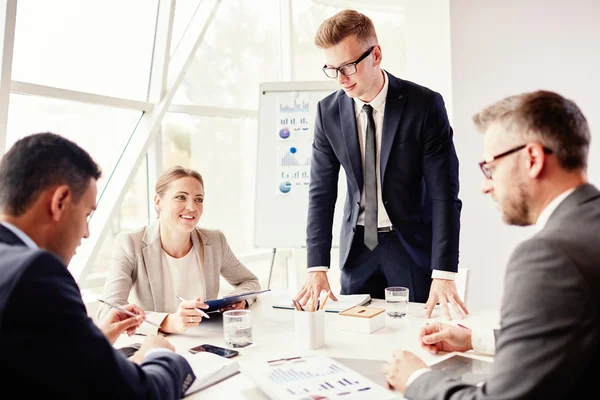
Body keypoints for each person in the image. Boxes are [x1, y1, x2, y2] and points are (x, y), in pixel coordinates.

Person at [383, 90, 600, 399]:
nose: (486, 186)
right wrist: (475, 339)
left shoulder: (549, 257)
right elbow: (574, 336)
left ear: (533, 159)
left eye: (490, 168)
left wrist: (416, 378)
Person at [294, 9, 467, 320]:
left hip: (410, 245)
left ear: (376, 54)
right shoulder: (328, 113)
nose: (341, 79)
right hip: (357, 247)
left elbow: (445, 194)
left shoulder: (424, 106)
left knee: (413, 334)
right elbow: (321, 194)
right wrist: (317, 266)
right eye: (331, 69)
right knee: (354, 337)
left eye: (347, 66)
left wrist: (444, 272)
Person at [0, 132, 195, 399]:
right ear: (59, 202)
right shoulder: (35, 272)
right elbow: (137, 395)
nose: (87, 233)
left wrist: (91, 342)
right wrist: (157, 353)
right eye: (87, 214)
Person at [97, 165, 260, 334]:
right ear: (158, 202)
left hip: (206, 342)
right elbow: (108, 312)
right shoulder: (130, 243)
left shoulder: (215, 241)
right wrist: (168, 322)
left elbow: (250, 282)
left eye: (198, 199)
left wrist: (237, 301)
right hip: (155, 346)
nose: (192, 207)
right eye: (181, 197)